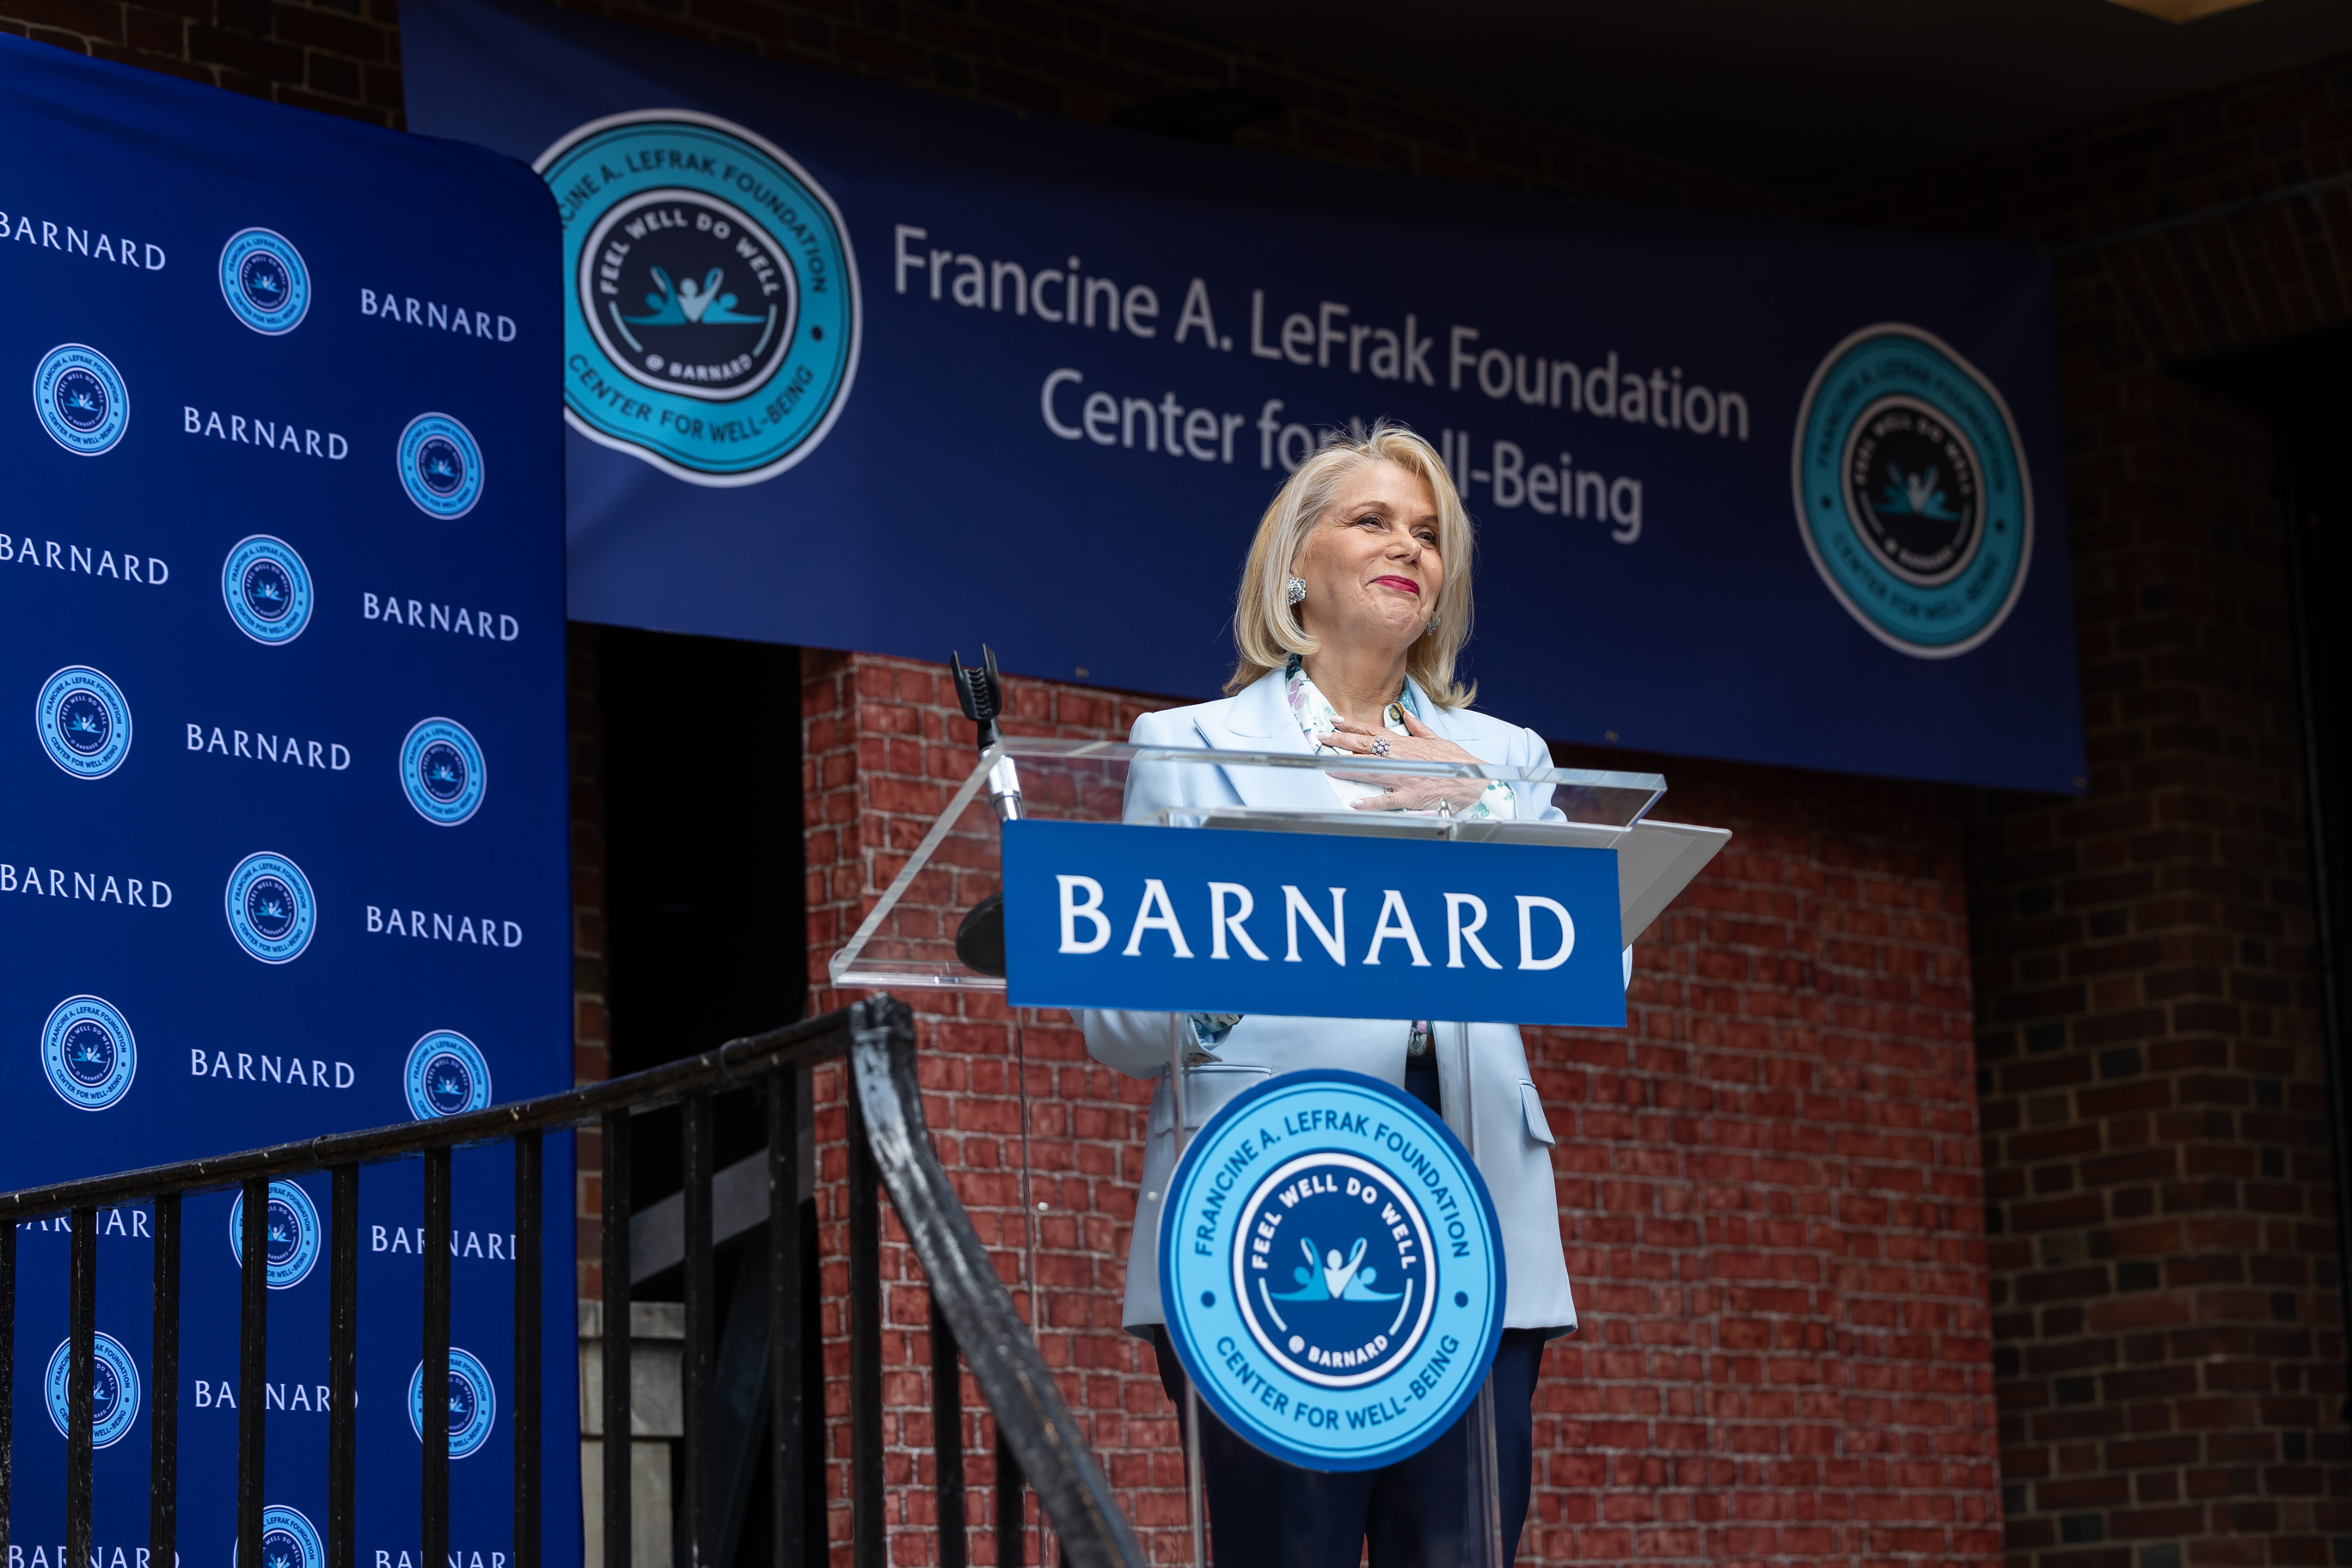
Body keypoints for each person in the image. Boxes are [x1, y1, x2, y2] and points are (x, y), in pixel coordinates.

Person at [1079, 420, 1588, 1568]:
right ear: (1295, 565)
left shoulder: (1503, 756)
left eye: (1428, 533)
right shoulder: (1190, 746)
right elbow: (1117, 1026)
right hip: (1264, 1217)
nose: (1406, 545)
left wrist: (1484, 812)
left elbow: (1596, 958)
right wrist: (1254, 923)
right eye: (1371, 519)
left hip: (1477, 1215)